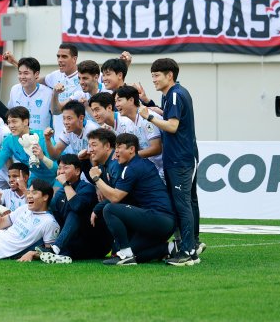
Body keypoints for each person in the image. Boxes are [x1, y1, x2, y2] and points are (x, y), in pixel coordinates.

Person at [139, 58, 202, 266]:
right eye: (153, 76)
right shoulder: (174, 93)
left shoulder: (174, 95)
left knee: (182, 203)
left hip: (180, 159)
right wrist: (151, 105)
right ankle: (193, 244)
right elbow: (169, 116)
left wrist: (148, 117)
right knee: (190, 202)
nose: (154, 80)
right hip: (183, 156)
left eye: (157, 76)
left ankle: (187, 250)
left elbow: (173, 126)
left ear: (170, 76)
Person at [93, 134, 176, 265]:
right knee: (134, 254)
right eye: (115, 147)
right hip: (164, 222)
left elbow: (115, 198)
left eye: (119, 147)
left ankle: (125, 255)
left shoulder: (131, 168)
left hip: (157, 218)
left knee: (110, 209)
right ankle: (169, 248)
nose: (116, 152)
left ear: (131, 149)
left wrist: (96, 179)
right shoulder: (143, 163)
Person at [39, 154, 103, 264]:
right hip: (72, 240)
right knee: (51, 213)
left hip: (92, 242)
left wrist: (65, 183)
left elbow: (77, 206)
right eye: (59, 168)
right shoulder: (60, 192)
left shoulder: (87, 188)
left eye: (66, 167)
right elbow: (54, 215)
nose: (61, 171)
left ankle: (56, 249)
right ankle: (59, 252)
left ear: (77, 171)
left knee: (75, 213)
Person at [0, 106, 56, 186]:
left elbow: (57, 169)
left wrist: (42, 157)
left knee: (55, 197)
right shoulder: (9, 140)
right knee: (28, 197)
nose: (11, 125)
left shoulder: (42, 138)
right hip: (36, 177)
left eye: (14, 121)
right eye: (9, 122)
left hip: (57, 176)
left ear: (25, 121)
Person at [115, 86, 163, 178]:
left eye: (119, 100)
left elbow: (157, 148)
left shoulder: (147, 116)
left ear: (131, 100)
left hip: (167, 168)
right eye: (115, 101)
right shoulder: (128, 122)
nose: (116, 105)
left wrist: (130, 155)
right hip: (152, 170)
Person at [5, 55, 53, 132]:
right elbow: (11, 114)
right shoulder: (14, 90)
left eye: (26, 73)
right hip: (19, 138)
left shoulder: (49, 93)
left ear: (36, 74)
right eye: (20, 73)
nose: (22, 77)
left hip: (42, 140)